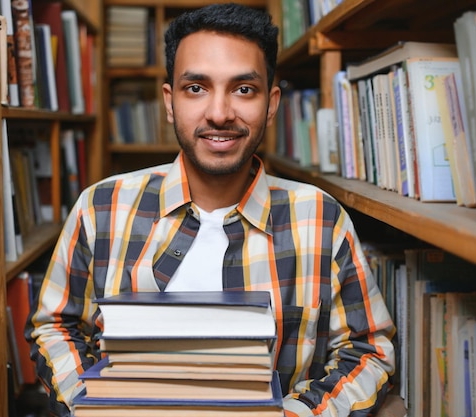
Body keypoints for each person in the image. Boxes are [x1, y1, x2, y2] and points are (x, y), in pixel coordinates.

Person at [27, 3, 396, 416]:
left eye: (243, 89)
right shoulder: (101, 207)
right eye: (196, 88)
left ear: (271, 104)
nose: (219, 113)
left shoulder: (321, 219)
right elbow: (55, 326)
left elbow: (368, 350)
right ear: (169, 102)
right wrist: (95, 406)